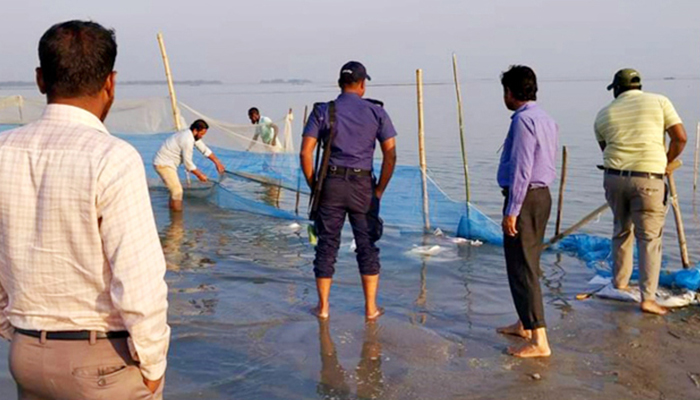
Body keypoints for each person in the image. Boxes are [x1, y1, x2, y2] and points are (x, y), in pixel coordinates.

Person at [0, 20, 170, 398]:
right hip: (102, 362)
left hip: (26, 355)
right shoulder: (113, 158)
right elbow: (139, 282)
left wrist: (14, 329)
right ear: (110, 83)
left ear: (41, 80)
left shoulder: (3, 151)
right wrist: (153, 366)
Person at [300, 61, 397, 320]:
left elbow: (305, 151)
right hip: (362, 185)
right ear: (363, 84)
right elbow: (390, 154)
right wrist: (379, 190)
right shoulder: (377, 112)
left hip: (330, 184)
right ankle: (370, 308)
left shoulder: (323, 110)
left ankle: (322, 308)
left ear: (339, 83)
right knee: (366, 245)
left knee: (327, 243)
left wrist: (314, 185)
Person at [595, 68, 687, 315]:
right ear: (638, 86)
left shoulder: (603, 114)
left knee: (621, 230)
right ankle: (647, 299)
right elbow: (680, 138)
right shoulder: (660, 101)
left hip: (614, 179)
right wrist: (665, 162)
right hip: (648, 179)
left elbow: (606, 149)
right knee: (649, 239)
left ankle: (620, 283)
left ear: (616, 89)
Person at [495, 65, 558, 358]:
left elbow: (522, 168)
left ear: (511, 92)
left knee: (524, 266)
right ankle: (525, 322)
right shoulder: (545, 118)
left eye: (505, 91)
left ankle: (539, 341)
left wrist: (513, 209)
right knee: (525, 261)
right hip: (541, 195)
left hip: (527, 197)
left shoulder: (523, 121)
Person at [153, 119, 225, 211]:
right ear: (195, 130)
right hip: (163, 164)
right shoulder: (187, 139)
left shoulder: (192, 136)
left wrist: (217, 162)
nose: (202, 136)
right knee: (177, 191)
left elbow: (204, 149)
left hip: (169, 164)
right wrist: (200, 175)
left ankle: (173, 213)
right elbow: (188, 163)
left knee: (174, 191)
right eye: (201, 134)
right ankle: (177, 220)